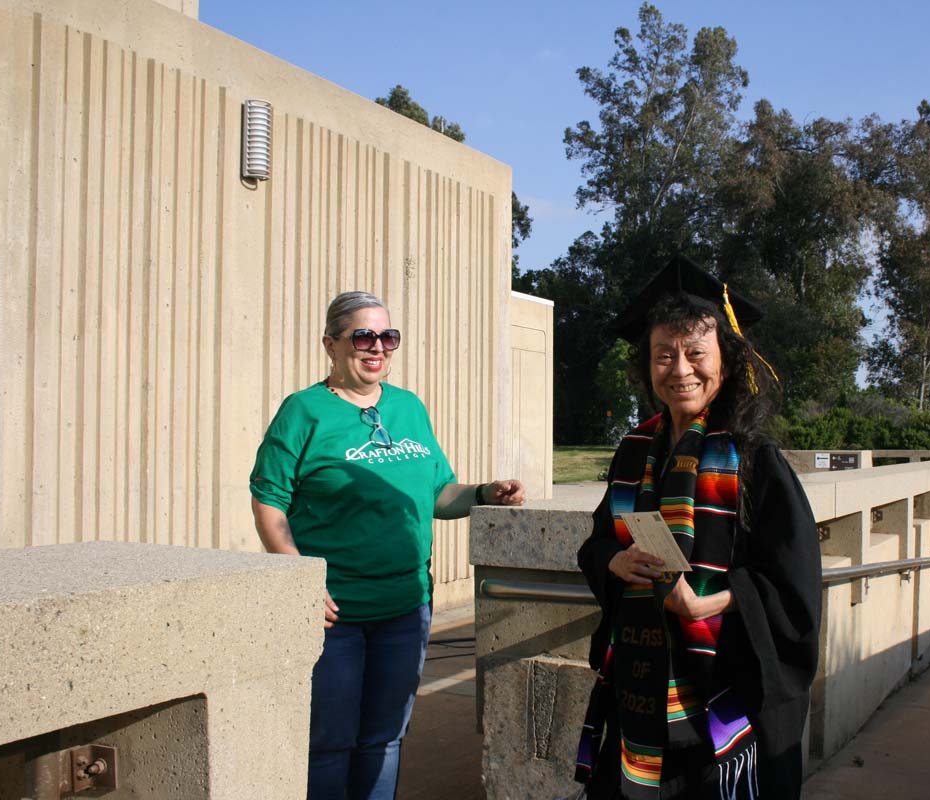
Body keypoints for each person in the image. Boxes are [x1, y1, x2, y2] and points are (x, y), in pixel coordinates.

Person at [249, 291, 525, 800]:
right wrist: (298, 580)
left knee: (384, 740)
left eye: (388, 337)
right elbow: (269, 498)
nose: (377, 347)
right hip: (334, 614)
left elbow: (439, 493)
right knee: (330, 744)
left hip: (406, 608)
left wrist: (486, 493)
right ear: (331, 345)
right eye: (363, 336)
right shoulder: (304, 411)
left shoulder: (408, 408)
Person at [574, 256, 821, 800]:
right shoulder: (634, 451)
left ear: (726, 364)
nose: (679, 369)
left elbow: (794, 586)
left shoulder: (755, 460)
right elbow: (596, 544)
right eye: (664, 355)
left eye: (695, 353)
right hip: (638, 689)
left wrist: (713, 602)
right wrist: (612, 562)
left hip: (722, 699)